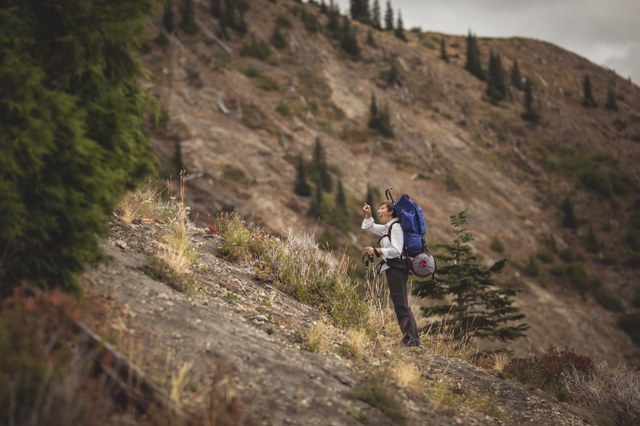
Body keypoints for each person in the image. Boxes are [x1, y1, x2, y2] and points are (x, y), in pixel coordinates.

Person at [362, 201, 420, 347]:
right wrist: (368, 215)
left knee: (401, 304)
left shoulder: (395, 227)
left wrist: (378, 250)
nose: (379, 210)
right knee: (400, 303)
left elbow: (396, 250)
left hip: (397, 269)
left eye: (382, 208)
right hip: (394, 268)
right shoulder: (389, 227)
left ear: (390, 212)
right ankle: (411, 337)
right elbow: (370, 227)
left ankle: (411, 339)